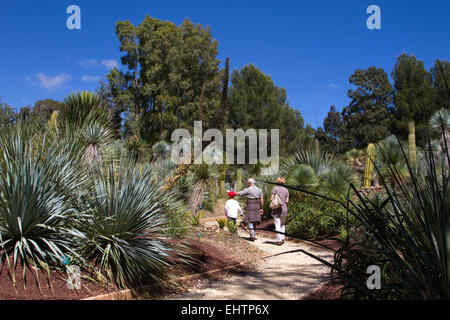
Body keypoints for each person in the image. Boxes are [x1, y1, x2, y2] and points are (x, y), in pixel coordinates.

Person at [271, 177, 289, 245]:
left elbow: (271, 198)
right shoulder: (286, 190)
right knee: (282, 224)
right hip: (284, 208)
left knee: (277, 224)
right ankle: (282, 238)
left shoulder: (275, 189)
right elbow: (287, 201)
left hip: (276, 209)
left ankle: (279, 240)